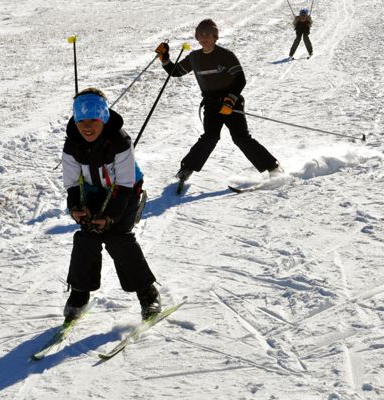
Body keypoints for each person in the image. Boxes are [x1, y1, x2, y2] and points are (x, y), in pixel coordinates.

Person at [61, 88, 161, 321]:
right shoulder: (72, 144)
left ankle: (147, 293)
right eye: (81, 120)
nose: (87, 126)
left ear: (104, 118)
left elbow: (125, 185)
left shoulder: (119, 142)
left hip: (124, 193)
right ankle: (79, 293)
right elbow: (72, 183)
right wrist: (76, 208)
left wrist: (110, 217)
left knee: (118, 237)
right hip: (93, 192)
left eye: (93, 119)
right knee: (87, 235)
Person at [154, 19, 281, 187]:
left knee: (241, 138)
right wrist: (165, 58)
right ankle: (187, 168)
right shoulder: (194, 57)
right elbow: (176, 71)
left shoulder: (225, 55)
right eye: (200, 34)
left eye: (208, 34)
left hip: (231, 103)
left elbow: (240, 79)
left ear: (215, 37)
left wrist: (230, 100)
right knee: (210, 137)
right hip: (212, 104)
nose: (204, 38)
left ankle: (273, 168)